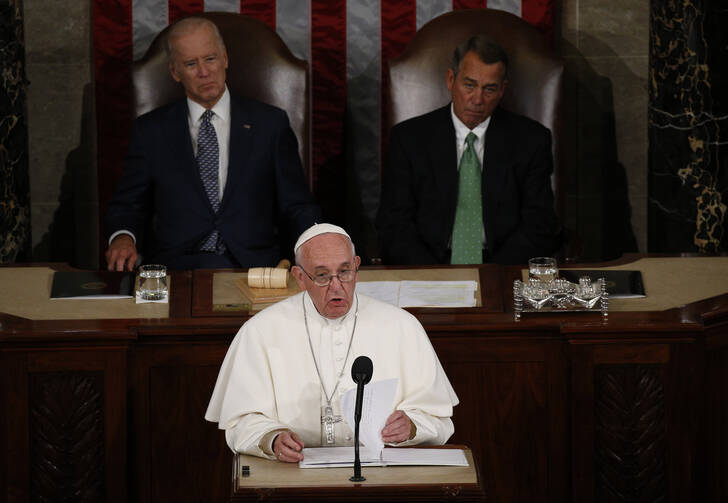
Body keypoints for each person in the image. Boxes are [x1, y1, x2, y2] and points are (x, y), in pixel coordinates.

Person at [205, 223, 458, 461]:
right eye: (322, 275)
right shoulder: (260, 331)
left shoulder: (402, 326)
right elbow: (240, 422)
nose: (336, 286)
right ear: (300, 277)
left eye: (345, 272)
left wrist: (412, 427)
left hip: (382, 470)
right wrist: (272, 439)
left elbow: (438, 419)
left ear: (357, 267)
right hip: (295, 473)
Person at [105, 16, 320, 271]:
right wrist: (122, 236)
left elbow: (296, 204)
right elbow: (128, 204)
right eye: (191, 64)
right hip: (178, 268)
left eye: (210, 59)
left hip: (254, 268)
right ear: (175, 71)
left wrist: (317, 243)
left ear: (225, 59)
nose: (204, 72)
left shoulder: (270, 124)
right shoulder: (151, 131)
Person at [377, 34, 559, 265]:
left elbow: (539, 224)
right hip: (428, 264)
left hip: (502, 265)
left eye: (489, 89)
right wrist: (434, 277)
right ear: (451, 79)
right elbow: (394, 224)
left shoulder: (531, 140)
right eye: (469, 85)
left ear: (502, 90)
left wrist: (491, 273)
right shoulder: (408, 139)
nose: (477, 99)